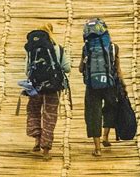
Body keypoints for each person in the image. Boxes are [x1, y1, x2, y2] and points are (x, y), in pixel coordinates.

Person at [24, 23, 71, 160]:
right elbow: (67, 68)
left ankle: (37, 141)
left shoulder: (32, 50)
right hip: (53, 87)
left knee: (33, 111)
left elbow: (26, 70)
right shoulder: (58, 49)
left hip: (35, 86)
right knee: (49, 115)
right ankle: (46, 149)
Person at [79, 17, 124, 157]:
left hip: (92, 85)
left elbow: (81, 68)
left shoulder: (86, 48)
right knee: (111, 108)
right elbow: (118, 69)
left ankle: (97, 148)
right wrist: (122, 84)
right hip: (110, 84)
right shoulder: (113, 47)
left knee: (94, 114)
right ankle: (106, 136)